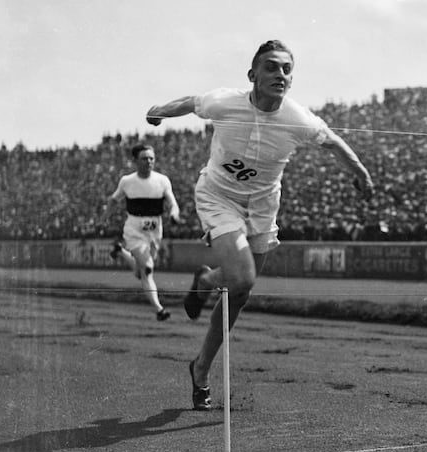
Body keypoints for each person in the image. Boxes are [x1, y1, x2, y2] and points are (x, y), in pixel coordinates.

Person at [145, 40, 374, 410]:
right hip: (219, 197)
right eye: (271, 67)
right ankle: (208, 283)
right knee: (242, 277)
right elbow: (190, 102)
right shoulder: (225, 102)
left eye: (286, 69)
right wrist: (158, 111)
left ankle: (201, 366)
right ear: (252, 75)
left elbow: (331, 142)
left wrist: (361, 173)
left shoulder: (298, 118)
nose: (279, 75)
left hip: (263, 207)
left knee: (239, 294)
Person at [103, 143, 181, 321]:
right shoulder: (127, 181)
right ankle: (159, 309)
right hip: (134, 230)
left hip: (155, 230)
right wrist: (105, 216)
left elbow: (173, 203)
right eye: (145, 158)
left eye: (151, 158)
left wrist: (174, 213)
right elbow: (114, 199)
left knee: (142, 272)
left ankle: (121, 252)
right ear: (135, 161)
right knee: (147, 269)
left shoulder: (162, 180)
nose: (149, 162)